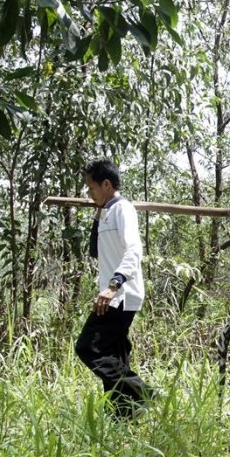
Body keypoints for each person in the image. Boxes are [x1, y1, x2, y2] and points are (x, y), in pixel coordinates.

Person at [75, 159, 152, 418]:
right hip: (113, 294)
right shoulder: (108, 211)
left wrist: (113, 286)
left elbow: (134, 250)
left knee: (88, 348)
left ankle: (143, 392)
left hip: (120, 295)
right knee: (115, 355)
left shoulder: (123, 209)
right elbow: (96, 252)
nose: (89, 193)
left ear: (106, 184)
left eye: (91, 188)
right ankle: (124, 414)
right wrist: (98, 214)